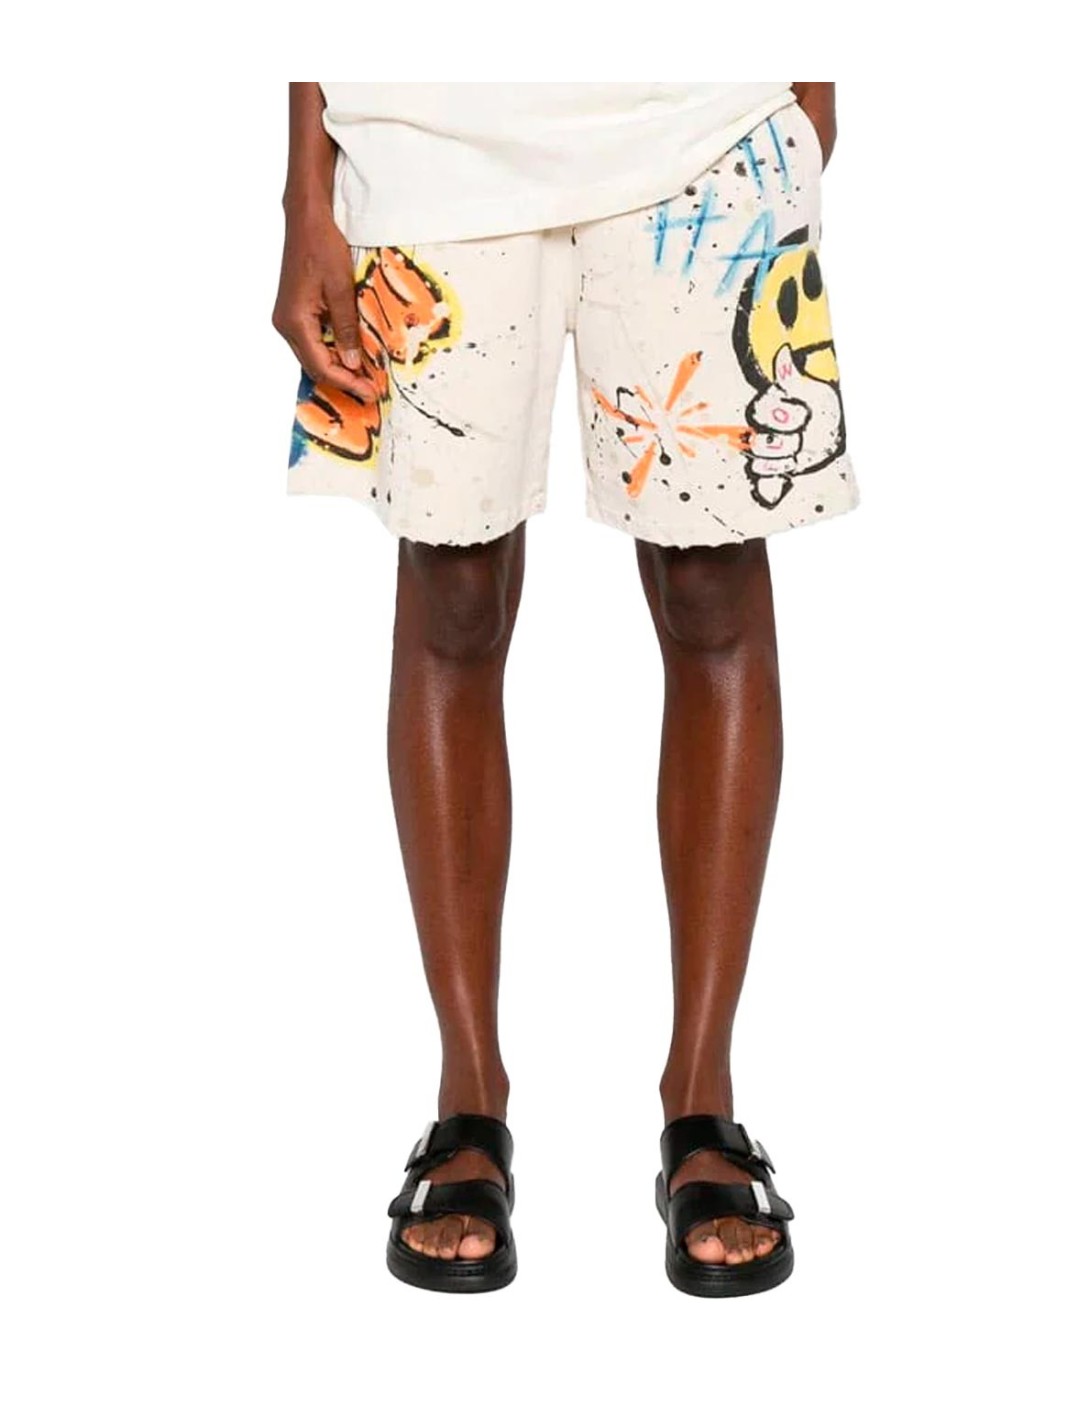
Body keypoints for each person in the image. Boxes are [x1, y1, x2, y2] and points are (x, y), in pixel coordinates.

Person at [273, 81, 856, 1297]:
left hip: (704, 115)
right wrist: (303, 189)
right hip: (424, 126)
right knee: (450, 586)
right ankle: (467, 1092)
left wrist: (812, 76)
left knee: (709, 584)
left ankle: (701, 1095)